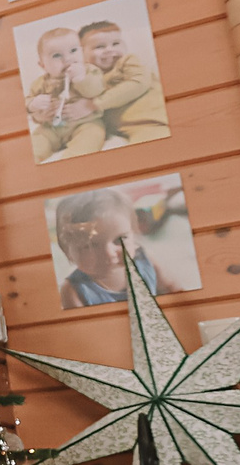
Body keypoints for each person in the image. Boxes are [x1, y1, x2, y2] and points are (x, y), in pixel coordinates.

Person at [54, 188, 166, 307]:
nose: (109, 253)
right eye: (91, 245)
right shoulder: (73, 291)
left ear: (133, 234)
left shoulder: (146, 262)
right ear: (67, 251)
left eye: (120, 239)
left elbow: (172, 289)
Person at [78, 16, 169, 147]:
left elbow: (139, 82)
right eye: (99, 46)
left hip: (154, 120)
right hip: (128, 129)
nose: (109, 49)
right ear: (82, 53)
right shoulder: (88, 78)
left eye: (116, 44)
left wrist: (96, 104)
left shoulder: (127, 61)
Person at [23, 26, 104, 160]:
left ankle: (73, 161)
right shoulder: (40, 83)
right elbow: (27, 104)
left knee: (92, 136)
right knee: (36, 144)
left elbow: (98, 90)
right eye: (57, 55)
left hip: (84, 123)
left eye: (73, 51)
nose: (67, 59)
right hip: (51, 128)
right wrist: (33, 105)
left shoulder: (90, 71)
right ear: (43, 65)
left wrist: (81, 79)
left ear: (82, 52)